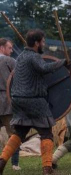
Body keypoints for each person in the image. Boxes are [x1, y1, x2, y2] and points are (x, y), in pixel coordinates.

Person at [0, 29, 70, 175]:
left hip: (18, 100)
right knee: (46, 134)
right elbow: (44, 68)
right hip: (34, 101)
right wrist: (62, 63)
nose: (43, 44)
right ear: (37, 43)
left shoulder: (20, 57)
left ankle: (1, 162)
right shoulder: (33, 56)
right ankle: (47, 169)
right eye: (43, 42)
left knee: (19, 133)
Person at [0, 38, 21, 171]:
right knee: (14, 134)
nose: (12, 50)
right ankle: (15, 164)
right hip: (7, 101)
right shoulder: (10, 61)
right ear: (1, 48)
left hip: (5, 100)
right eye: (9, 48)